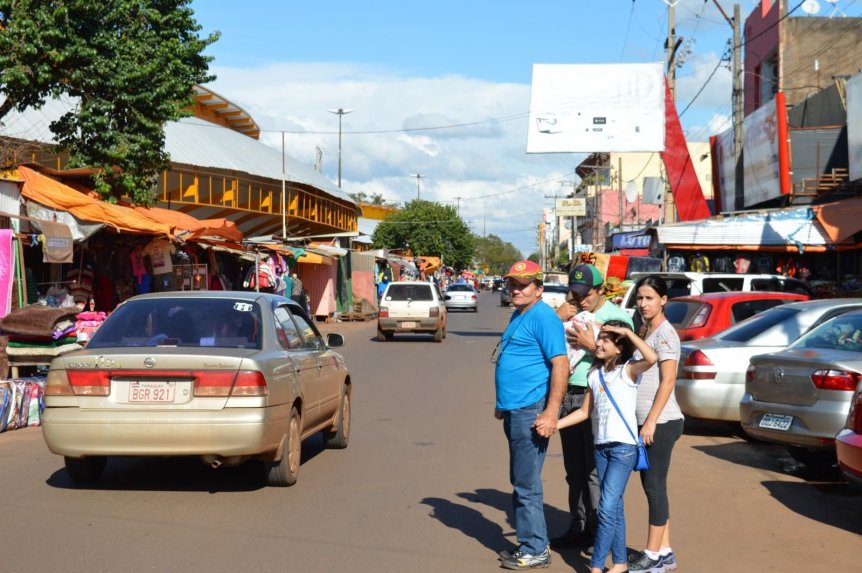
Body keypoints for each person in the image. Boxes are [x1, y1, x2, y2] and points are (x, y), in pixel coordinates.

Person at [535, 321, 657, 573]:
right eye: (599, 339)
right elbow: (583, 411)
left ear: (619, 347)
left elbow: (652, 357)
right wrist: (554, 424)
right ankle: (620, 562)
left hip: (623, 448)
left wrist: (627, 332)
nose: (598, 343)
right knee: (615, 506)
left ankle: (597, 565)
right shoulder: (595, 374)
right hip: (601, 447)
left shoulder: (629, 371)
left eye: (605, 340)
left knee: (606, 506)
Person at [551, 264, 633, 554]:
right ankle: (578, 528)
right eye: (575, 293)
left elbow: (624, 364)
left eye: (585, 294)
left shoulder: (616, 317)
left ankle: (600, 533)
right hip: (569, 396)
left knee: (593, 473)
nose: (580, 299)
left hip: (597, 400)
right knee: (573, 471)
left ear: (600, 290)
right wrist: (554, 318)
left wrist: (589, 344)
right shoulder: (571, 311)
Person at [494, 260, 568, 571]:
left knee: (526, 482)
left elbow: (561, 365)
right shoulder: (520, 312)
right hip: (516, 408)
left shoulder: (543, 317)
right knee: (522, 478)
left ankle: (535, 547)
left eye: (523, 285)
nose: (515, 289)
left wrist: (551, 412)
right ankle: (533, 542)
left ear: (538, 289)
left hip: (532, 410)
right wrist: (502, 403)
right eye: (512, 283)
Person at [627, 275, 684, 573]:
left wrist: (649, 422)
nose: (643, 303)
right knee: (655, 485)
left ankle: (652, 557)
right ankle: (665, 551)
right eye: (640, 298)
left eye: (650, 298)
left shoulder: (665, 334)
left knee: (654, 487)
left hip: (661, 422)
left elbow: (669, 380)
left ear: (663, 300)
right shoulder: (646, 329)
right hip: (649, 421)